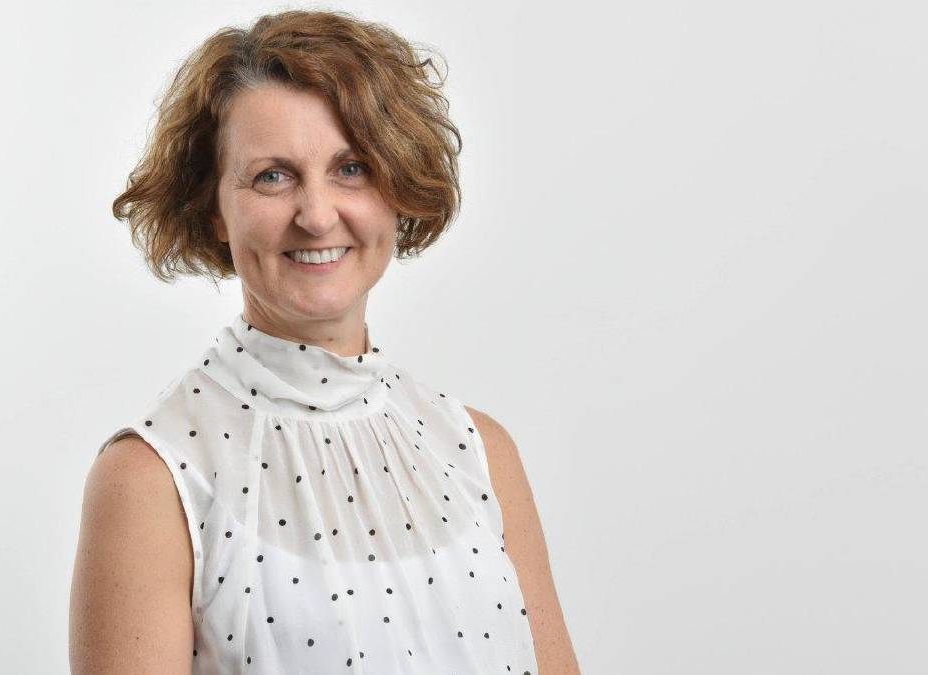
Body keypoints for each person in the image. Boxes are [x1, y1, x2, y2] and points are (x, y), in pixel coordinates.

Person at [70, 9, 581, 674]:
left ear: (398, 186)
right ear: (213, 210)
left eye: (352, 168)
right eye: (272, 176)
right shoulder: (153, 476)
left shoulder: (479, 451)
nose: (316, 215)